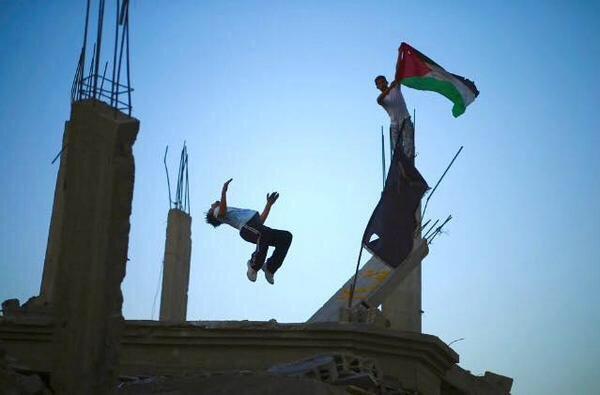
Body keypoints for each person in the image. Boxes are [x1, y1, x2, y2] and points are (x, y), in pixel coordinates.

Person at [205, 178, 292, 285]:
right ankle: (253, 265)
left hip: (254, 225)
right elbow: (222, 211)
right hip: (246, 227)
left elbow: (260, 222)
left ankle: (270, 267)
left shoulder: (233, 211)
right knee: (263, 235)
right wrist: (223, 191)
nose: (213, 204)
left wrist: (268, 205)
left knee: (286, 237)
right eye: (212, 206)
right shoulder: (216, 211)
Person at [374, 75, 415, 161]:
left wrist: (399, 61)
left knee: (409, 145)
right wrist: (391, 87)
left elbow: (398, 72)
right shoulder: (382, 98)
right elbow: (378, 100)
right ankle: (400, 163)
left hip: (405, 119)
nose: (381, 84)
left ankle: (409, 163)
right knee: (396, 148)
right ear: (377, 87)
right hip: (394, 124)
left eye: (382, 81)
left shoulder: (395, 88)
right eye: (379, 83)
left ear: (386, 82)